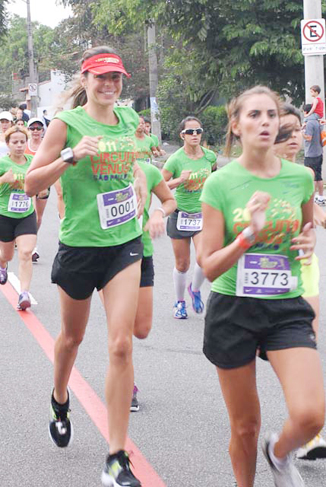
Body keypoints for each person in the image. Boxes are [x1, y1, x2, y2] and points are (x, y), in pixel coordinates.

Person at [25, 45, 148, 487]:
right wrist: (70, 156)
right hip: (80, 247)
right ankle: (60, 398)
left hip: (123, 243)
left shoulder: (130, 120)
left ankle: (117, 457)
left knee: (120, 344)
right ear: (85, 79)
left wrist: (139, 187)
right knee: (72, 338)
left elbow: (133, 164)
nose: (109, 85)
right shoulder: (67, 124)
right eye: (101, 77)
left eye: (116, 77)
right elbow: (31, 181)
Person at [199, 86, 325, 487]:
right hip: (234, 307)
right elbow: (210, 267)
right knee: (245, 426)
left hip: (285, 305)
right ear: (236, 125)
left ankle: (280, 452)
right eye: (254, 115)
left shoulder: (301, 177)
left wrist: (308, 242)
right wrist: (247, 236)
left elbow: (306, 231)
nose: (265, 122)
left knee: (311, 414)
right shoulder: (220, 183)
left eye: (271, 114)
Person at [274, 102, 326, 461]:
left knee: (307, 344)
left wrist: (318, 220)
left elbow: (313, 213)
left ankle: (311, 431)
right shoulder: (250, 176)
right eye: (287, 132)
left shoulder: (304, 175)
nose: (296, 138)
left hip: (302, 270)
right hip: (256, 281)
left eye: (298, 132)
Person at [162, 116, 217, 319]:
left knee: (204, 258)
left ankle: (194, 288)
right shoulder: (176, 159)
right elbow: (160, 184)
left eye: (198, 131)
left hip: (203, 215)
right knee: (182, 264)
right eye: (190, 132)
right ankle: (179, 302)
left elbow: (214, 180)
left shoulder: (210, 156)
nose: (195, 135)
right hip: (180, 215)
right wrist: (179, 180)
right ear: (182, 135)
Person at [0, 126, 37, 310]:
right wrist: (3, 180)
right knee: (6, 255)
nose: (20, 145)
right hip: (4, 215)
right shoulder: (2, 164)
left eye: (22, 141)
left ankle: (24, 293)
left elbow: (41, 181)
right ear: (8, 144)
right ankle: (2, 265)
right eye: (15, 142)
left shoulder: (33, 161)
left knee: (25, 253)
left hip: (26, 215)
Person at [25, 117, 49, 262]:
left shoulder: (46, 145)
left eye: (38, 128)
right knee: (32, 214)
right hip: (28, 182)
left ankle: (31, 239)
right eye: (32, 128)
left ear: (43, 130)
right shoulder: (24, 144)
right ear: (28, 130)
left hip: (44, 183)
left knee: (38, 218)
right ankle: (32, 246)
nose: (35, 131)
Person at [302, 103, 325, 205]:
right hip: (319, 152)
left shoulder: (309, 123)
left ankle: (311, 199)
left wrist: (302, 133)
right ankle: (320, 197)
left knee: (311, 177)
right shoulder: (318, 121)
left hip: (311, 154)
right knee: (318, 176)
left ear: (306, 112)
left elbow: (309, 137)